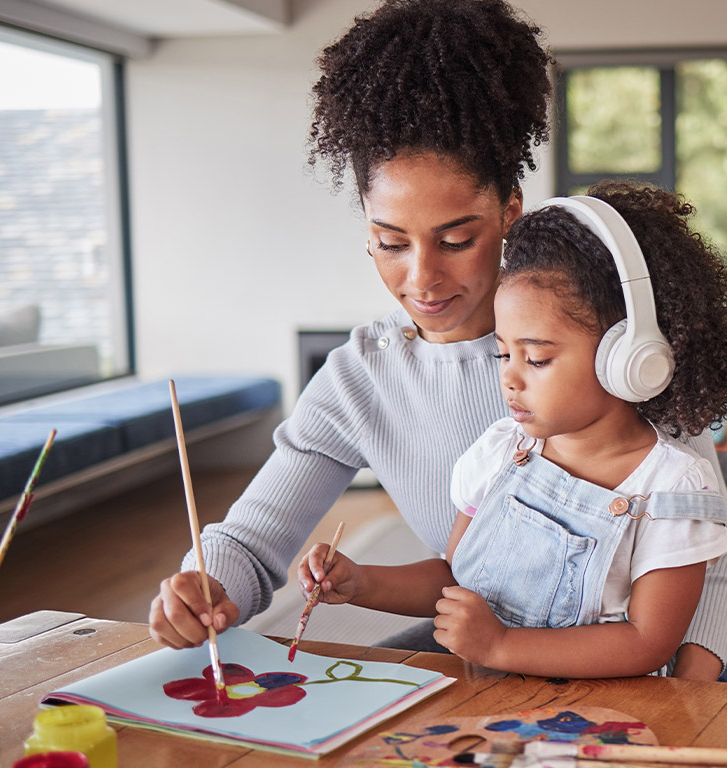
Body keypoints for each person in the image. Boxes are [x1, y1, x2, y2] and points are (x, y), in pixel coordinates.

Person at [148, 0, 727, 679]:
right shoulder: (360, 377)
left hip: (655, 661)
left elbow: (706, 565)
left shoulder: (611, 348)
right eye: (390, 242)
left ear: (510, 211)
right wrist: (206, 587)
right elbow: (250, 543)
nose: (422, 278)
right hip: (490, 639)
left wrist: (690, 697)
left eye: (457, 239)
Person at [297, 181, 727, 678]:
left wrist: (500, 645)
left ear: (627, 359)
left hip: (606, 708)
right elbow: (456, 580)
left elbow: (647, 641)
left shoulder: (671, 487)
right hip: (490, 695)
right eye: (503, 353)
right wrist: (363, 583)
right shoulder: (503, 451)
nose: (509, 376)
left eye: (538, 358)